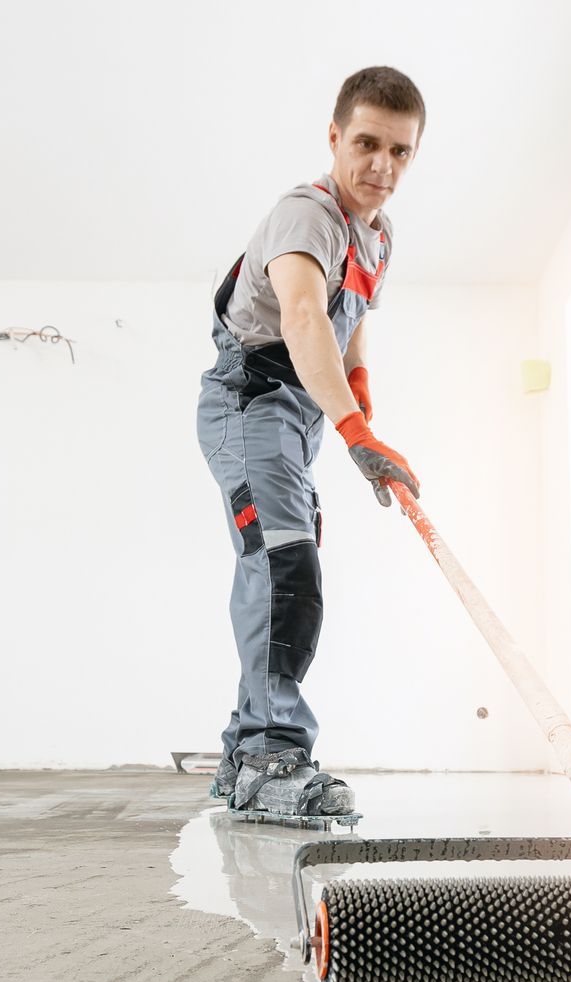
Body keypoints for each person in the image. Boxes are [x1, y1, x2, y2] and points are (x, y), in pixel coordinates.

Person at [195, 66, 425, 820]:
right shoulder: (309, 215)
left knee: (278, 564)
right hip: (252, 398)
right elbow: (303, 321)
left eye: (400, 151)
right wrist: (355, 434)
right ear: (335, 138)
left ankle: (242, 757)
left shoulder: (378, 235)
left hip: (300, 414)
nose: (381, 167)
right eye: (366, 143)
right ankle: (271, 757)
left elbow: (351, 332)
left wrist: (364, 416)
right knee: (285, 567)